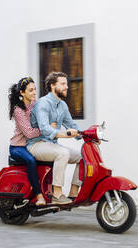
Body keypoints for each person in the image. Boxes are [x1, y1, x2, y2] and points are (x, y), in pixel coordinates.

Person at [27, 72, 82, 205]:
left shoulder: (62, 105)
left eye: (66, 84)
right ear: (52, 85)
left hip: (51, 144)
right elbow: (45, 129)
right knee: (63, 153)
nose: (67, 87)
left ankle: (74, 192)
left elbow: (72, 125)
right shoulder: (43, 103)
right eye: (63, 84)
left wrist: (88, 135)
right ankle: (57, 194)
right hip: (36, 144)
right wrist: (65, 134)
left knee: (82, 156)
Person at [8, 77, 49, 206]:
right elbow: (29, 133)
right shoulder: (18, 110)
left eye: (35, 89)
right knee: (31, 160)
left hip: (31, 144)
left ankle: (49, 191)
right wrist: (44, 130)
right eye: (30, 90)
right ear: (22, 93)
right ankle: (38, 195)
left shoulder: (34, 104)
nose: (34, 92)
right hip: (18, 147)